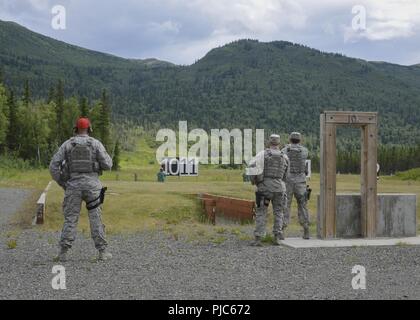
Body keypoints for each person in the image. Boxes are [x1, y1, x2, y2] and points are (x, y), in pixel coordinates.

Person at [49, 117, 113, 262]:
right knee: (96, 218)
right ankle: (102, 252)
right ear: (89, 129)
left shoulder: (67, 145)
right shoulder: (96, 144)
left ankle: (63, 253)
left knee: (70, 219)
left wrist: (62, 183)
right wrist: (97, 165)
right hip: (93, 188)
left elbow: (53, 166)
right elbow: (108, 164)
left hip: (73, 187)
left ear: (75, 129)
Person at [248, 134, 288, 246]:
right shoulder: (284, 157)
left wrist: (255, 181)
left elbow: (252, 167)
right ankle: (277, 237)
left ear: (269, 142)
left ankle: (258, 239)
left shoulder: (262, 154)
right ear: (279, 143)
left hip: (265, 188)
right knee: (279, 212)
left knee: (261, 212)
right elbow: (286, 175)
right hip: (280, 188)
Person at [281, 132, 310, 239]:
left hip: (287, 181)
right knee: (302, 206)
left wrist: (288, 146)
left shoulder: (284, 151)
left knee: (285, 205)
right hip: (301, 182)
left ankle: (282, 230)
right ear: (300, 140)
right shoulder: (305, 151)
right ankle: (306, 229)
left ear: (290, 139)